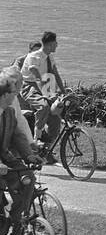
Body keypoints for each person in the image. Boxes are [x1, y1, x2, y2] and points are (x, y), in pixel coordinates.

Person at [0, 67, 44, 235]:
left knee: (28, 178)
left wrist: (29, 155)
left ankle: (17, 218)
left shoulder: (9, 113)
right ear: (4, 95)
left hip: (5, 159)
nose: (16, 95)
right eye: (13, 92)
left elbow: (17, 136)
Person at [21, 31, 66, 160]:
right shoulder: (34, 57)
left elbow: (56, 74)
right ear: (50, 44)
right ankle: (36, 139)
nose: (57, 45)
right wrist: (46, 94)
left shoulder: (49, 57)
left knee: (56, 118)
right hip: (30, 86)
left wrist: (64, 92)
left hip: (45, 85)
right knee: (44, 106)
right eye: (55, 43)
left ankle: (46, 150)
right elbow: (37, 77)